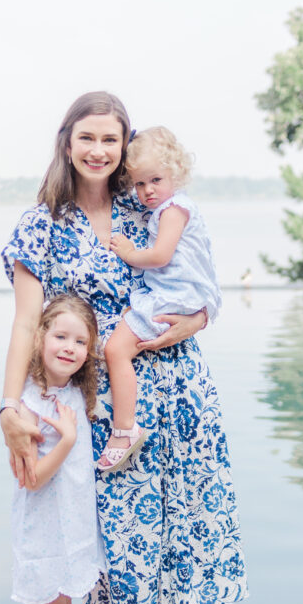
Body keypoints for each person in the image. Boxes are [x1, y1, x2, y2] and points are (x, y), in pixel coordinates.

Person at [0, 91, 247, 604]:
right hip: (97, 404)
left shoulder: (151, 204)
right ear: (67, 141)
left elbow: (205, 289)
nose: (100, 151)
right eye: (88, 138)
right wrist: (9, 407)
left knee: (195, 522)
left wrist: (186, 324)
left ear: (126, 145)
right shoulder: (42, 225)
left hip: (181, 391)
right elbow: (28, 323)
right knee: (110, 533)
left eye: (112, 139)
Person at [10, 294, 105, 604]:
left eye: (80, 341)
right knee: (49, 603)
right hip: (44, 521)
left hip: (75, 520)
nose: (69, 347)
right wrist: (65, 441)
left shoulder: (74, 393)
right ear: (40, 336)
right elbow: (32, 480)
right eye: (60, 335)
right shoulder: (26, 403)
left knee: (63, 598)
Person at [99, 126, 222, 471]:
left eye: (155, 180)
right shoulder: (172, 207)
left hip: (172, 298)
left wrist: (129, 252)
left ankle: (124, 429)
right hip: (180, 295)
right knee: (121, 348)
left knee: (116, 349)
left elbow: (160, 256)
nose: (147, 191)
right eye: (139, 184)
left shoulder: (172, 210)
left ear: (176, 173)